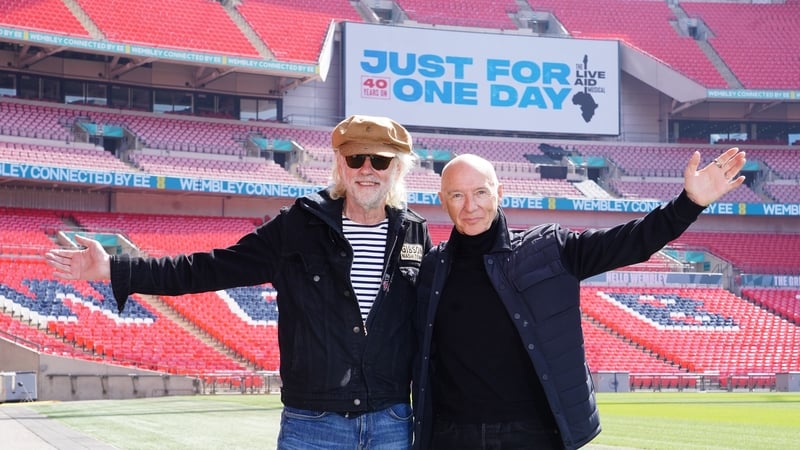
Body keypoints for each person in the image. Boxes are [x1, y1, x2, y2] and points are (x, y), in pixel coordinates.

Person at [45, 114, 432, 450]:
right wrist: (115, 269)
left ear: (396, 168)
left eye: (379, 159)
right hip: (314, 424)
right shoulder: (298, 225)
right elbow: (209, 268)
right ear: (339, 165)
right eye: (355, 158)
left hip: (391, 423)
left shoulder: (415, 233)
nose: (367, 169)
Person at [412, 148, 746, 450]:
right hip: (451, 436)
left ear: (499, 193)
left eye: (480, 192)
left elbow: (633, 242)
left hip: (534, 435)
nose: (470, 206)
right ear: (443, 200)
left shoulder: (549, 250)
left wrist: (688, 204)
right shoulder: (430, 268)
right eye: (457, 195)